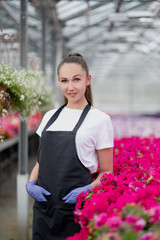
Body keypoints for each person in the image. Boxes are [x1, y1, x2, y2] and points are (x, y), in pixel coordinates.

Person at [26, 53, 114, 240]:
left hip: (76, 210)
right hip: (44, 209)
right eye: (64, 81)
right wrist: (30, 183)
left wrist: (87, 189)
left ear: (88, 80)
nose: (70, 87)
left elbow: (107, 172)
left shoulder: (100, 120)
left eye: (76, 80)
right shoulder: (50, 116)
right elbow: (41, 162)